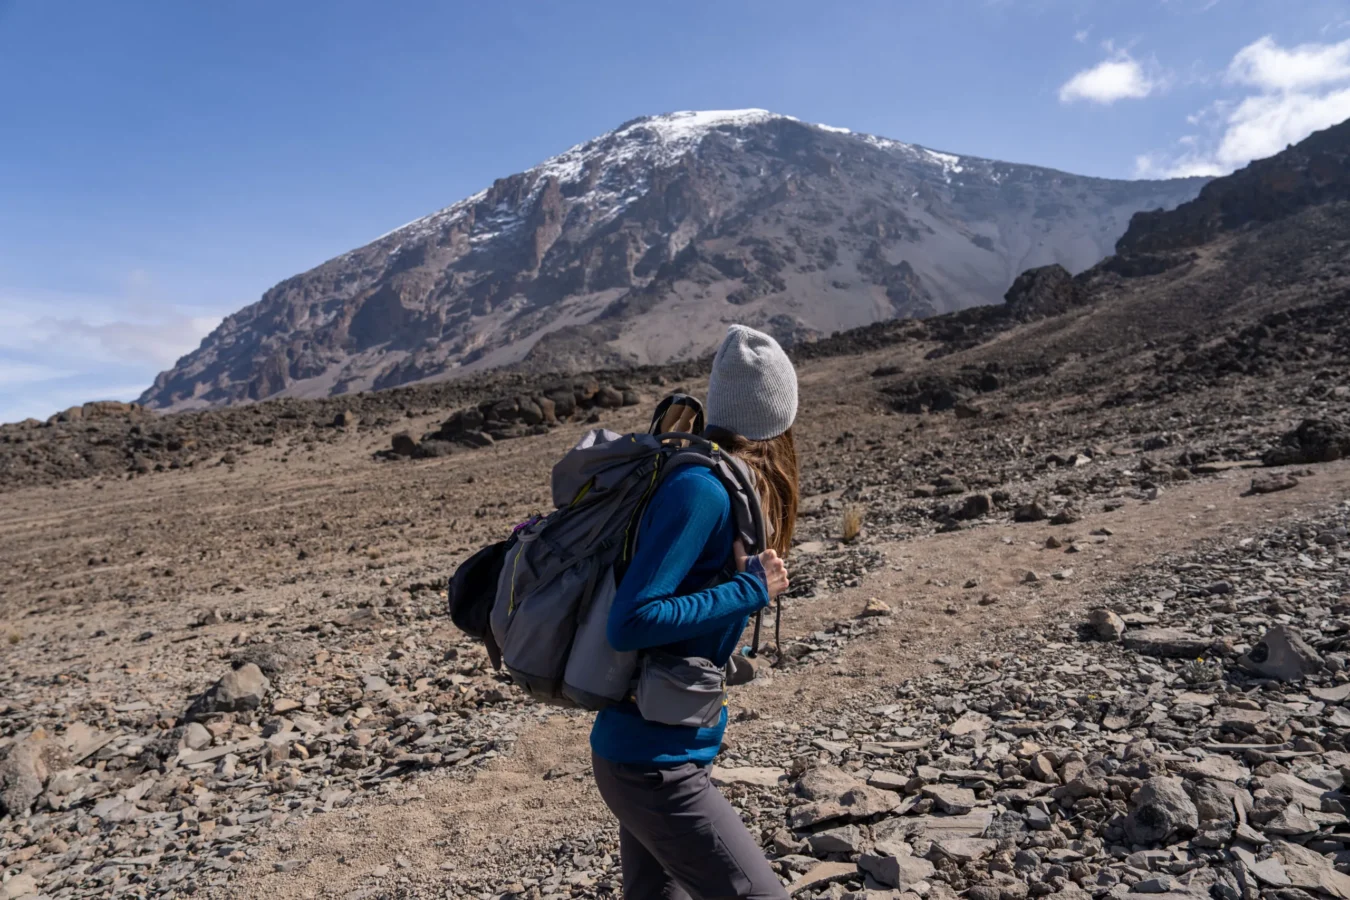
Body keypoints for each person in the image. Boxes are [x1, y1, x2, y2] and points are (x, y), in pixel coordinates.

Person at [590, 324, 800, 900]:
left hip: (657, 752)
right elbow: (632, 621)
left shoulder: (720, 483)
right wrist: (749, 589)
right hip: (653, 765)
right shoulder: (702, 490)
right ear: (779, 415)